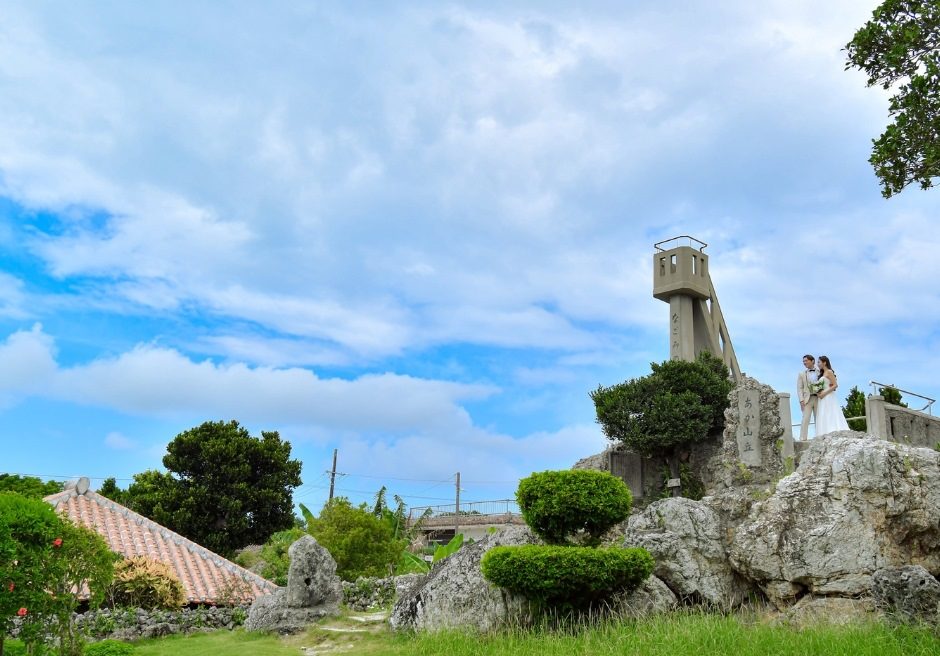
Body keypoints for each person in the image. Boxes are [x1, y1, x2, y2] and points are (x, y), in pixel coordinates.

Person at [815, 355, 849, 435]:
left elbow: (835, 385)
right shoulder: (822, 374)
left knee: (830, 412)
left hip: (828, 396)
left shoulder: (829, 372)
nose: (818, 364)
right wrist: (818, 392)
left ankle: (832, 431)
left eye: (819, 362)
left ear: (824, 362)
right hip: (822, 398)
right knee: (823, 413)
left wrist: (824, 393)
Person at [797, 354, 819, 441]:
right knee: (805, 419)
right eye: (803, 361)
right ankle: (803, 438)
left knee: (819, 418)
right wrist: (801, 400)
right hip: (807, 399)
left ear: (812, 361)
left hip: (819, 398)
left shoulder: (820, 371)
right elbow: (799, 388)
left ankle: (819, 436)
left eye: (806, 361)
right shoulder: (802, 374)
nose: (804, 362)